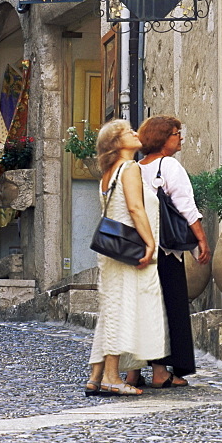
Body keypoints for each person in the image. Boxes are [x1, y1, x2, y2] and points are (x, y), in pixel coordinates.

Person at [125, 115, 211, 388]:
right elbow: (186, 207)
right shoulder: (169, 166)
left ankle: (133, 371)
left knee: (141, 310)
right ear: (163, 138)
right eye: (176, 133)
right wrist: (202, 241)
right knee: (167, 308)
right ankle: (161, 372)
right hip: (164, 251)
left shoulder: (134, 168)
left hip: (137, 250)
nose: (180, 137)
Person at [85, 120, 168, 396]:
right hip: (130, 248)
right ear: (117, 143)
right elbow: (135, 208)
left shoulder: (108, 173)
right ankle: (111, 377)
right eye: (128, 131)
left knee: (111, 310)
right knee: (122, 311)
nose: (136, 133)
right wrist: (150, 243)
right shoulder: (129, 168)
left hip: (112, 252)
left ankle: (96, 376)